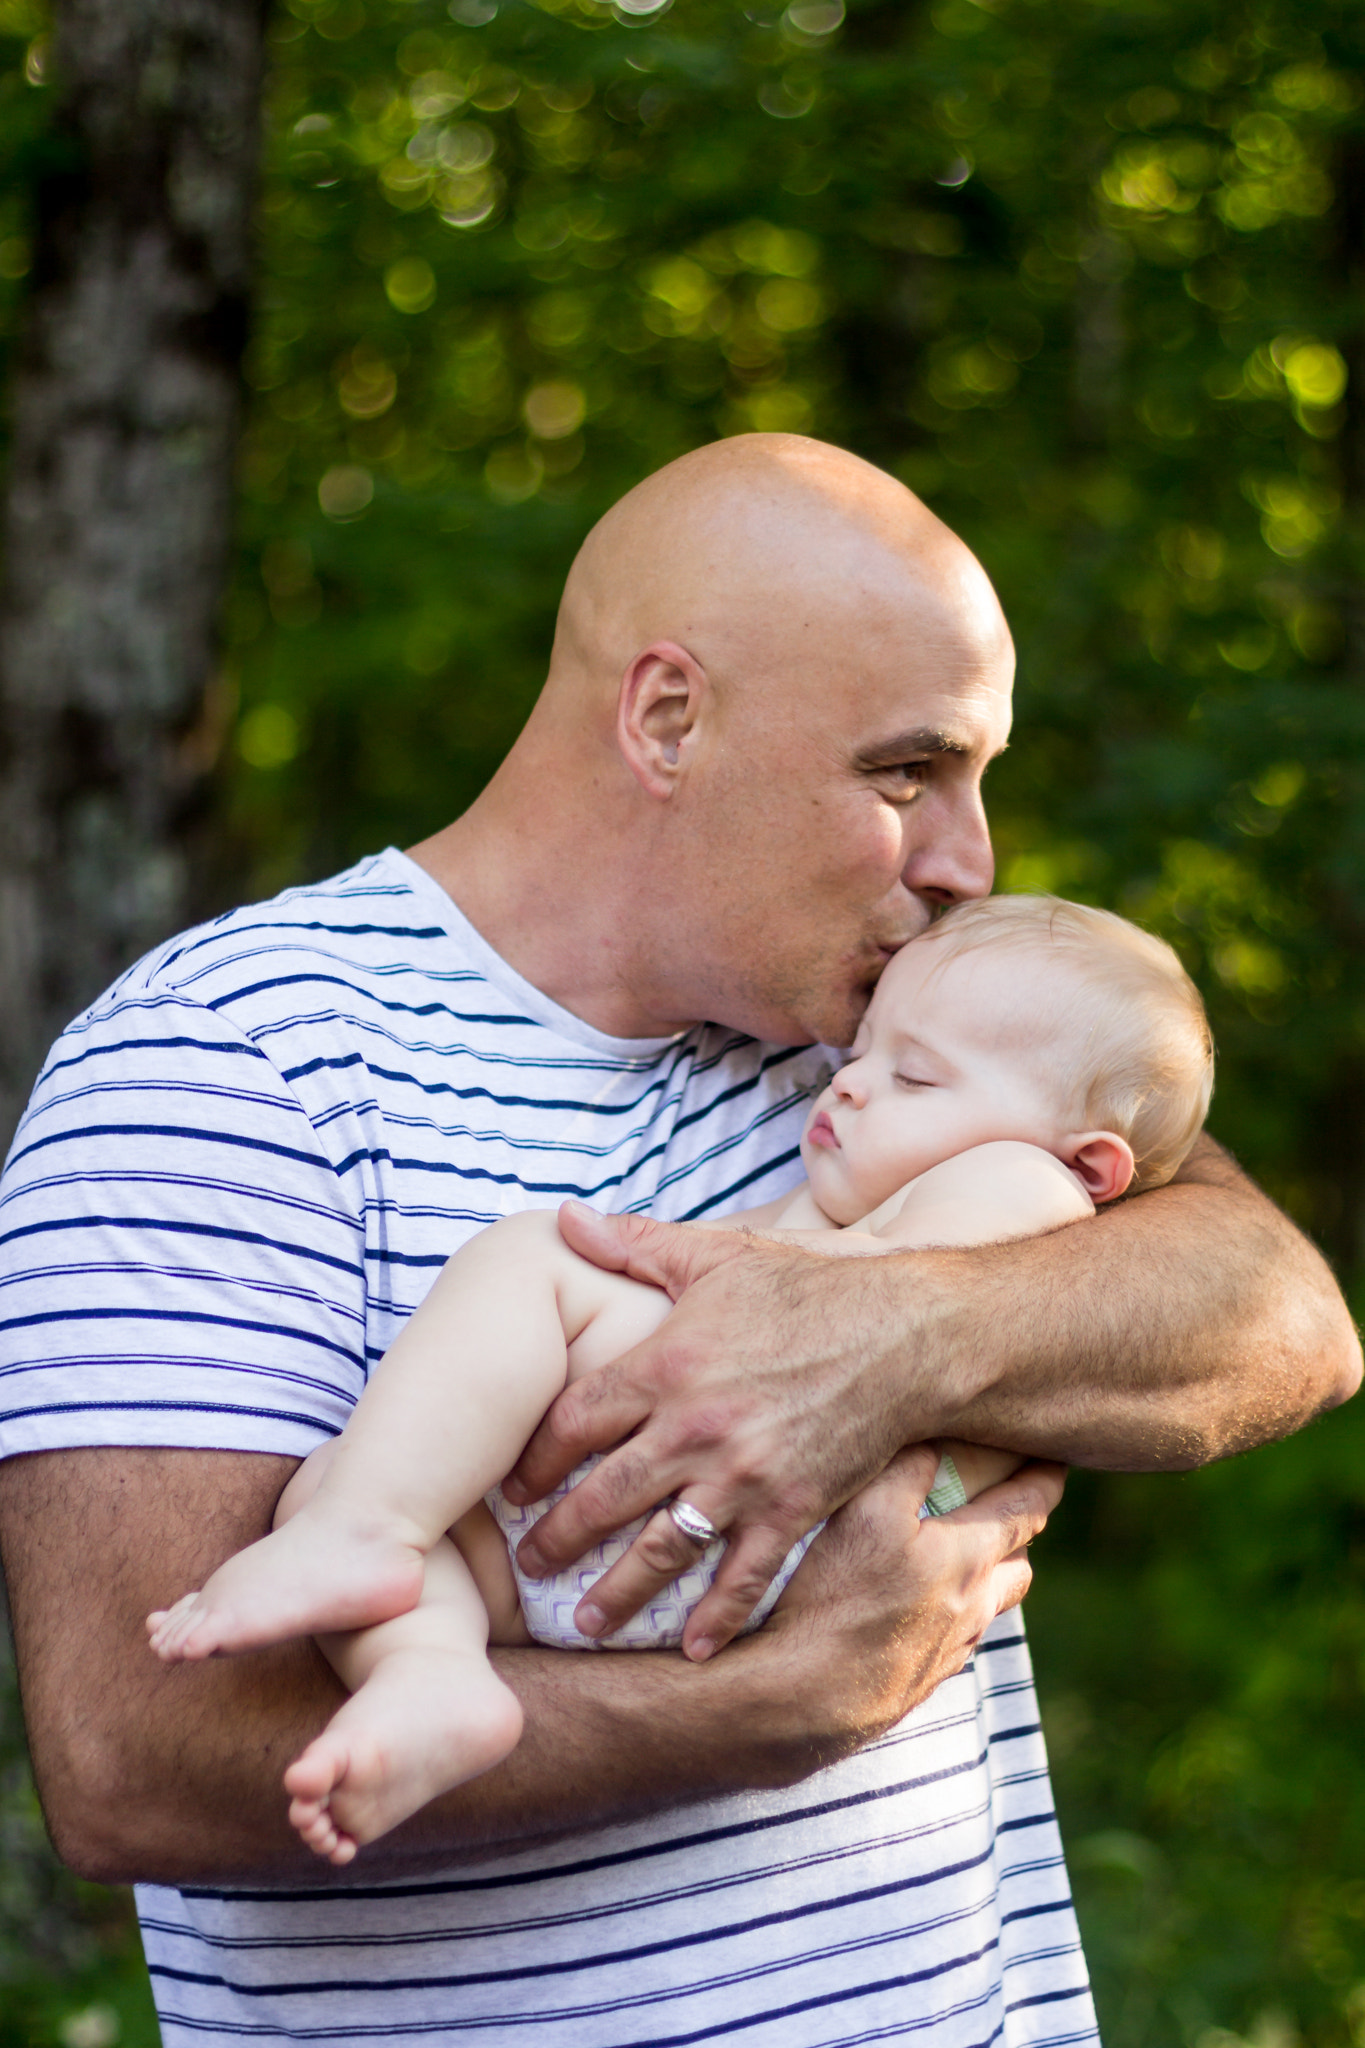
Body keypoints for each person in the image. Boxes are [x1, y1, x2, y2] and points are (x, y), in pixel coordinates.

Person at [0, 435, 1357, 2048]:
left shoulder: (891, 1033)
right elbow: (136, 1754)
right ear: (666, 716)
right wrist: (761, 1707)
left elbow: (1285, 1314)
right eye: (906, 771)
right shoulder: (232, 1062)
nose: (965, 859)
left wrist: (897, 1332)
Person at [145, 893, 1215, 1873]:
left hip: (768, 1517)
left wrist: (643, 1272)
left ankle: (368, 1528)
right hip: (663, 1565)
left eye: (917, 1073)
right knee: (330, 1474)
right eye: (866, 1047)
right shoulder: (901, 1186)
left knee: (530, 1264)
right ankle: (430, 1668)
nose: (850, 1078)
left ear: (1092, 1167)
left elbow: (877, 1316)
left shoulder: (1024, 1187)